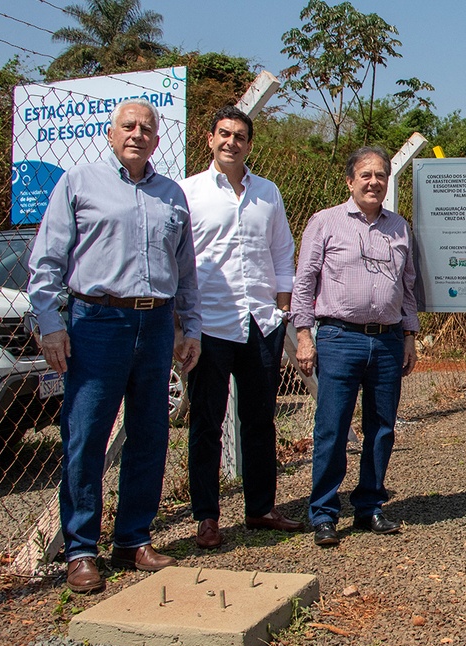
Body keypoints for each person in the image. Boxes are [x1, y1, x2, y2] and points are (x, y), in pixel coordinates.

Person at [28, 98, 201, 593]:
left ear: (157, 137)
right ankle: (81, 548)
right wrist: (51, 323)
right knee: (87, 434)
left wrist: (188, 326)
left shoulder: (171, 194)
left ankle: (132, 538)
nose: (137, 134)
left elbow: (185, 270)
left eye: (147, 128)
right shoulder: (78, 183)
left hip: (156, 326)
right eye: (128, 126)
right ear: (111, 133)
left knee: (150, 432)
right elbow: (47, 260)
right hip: (96, 322)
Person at [179, 106, 302, 549]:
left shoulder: (267, 192)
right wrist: (181, 319)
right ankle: (207, 518)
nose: (232, 142)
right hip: (209, 323)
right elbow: (179, 257)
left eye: (241, 137)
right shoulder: (188, 192)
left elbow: (282, 249)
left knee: (260, 420)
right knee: (207, 424)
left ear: (250, 145)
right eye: (224, 134)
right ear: (210, 139)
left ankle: (261, 508)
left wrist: (283, 305)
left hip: (262, 323)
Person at [292, 146, 419, 547]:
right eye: (365, 175)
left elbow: (408, 286)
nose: (373, 182)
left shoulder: (399, 227)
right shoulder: (325, 222)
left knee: (381, 429)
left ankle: (369, 507)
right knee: (332, 428)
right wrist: (303, 334)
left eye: (380, 175)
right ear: (350, 181)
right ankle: (325, 513)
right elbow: (305, 280)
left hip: (386, 341)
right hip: (338, 338)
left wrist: (410, 337)